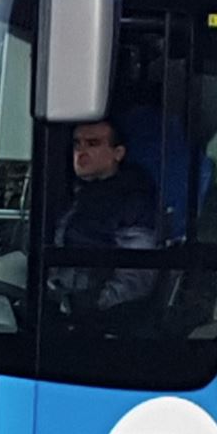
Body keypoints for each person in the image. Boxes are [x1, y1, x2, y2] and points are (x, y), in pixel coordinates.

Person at [50, 119, 161, 324]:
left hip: (95, 316)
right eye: (77, 144)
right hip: (57, 299)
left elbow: (138, 271)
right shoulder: (69, 193)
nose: (81, 152)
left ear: (118, 153)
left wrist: (95, 304)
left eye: (93, 144)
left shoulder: (133, 200)